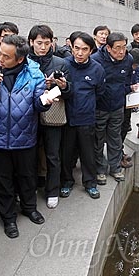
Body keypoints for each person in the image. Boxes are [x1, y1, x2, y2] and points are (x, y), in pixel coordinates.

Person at [0, 35, 52, 239]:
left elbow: (37, 104)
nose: (0, 58)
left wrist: (46, 101)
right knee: (3, 180)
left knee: (28, 176)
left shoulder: (34, 72)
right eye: (0, 53)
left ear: (19, 59)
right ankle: (8, 218)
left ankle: (29, 208)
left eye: (6, 56)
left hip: (25, 135)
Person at [27, 25, 71, 209]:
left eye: (47, 43)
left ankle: (52, 190)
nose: (43, 47)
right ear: (31, 42)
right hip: (29, 114)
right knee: (29, 155)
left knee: (53, 154)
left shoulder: (60, 63)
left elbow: (69, 93)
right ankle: (29, 190)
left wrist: (61, 86)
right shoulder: (25, 61)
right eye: (39, 43)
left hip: (53, 115)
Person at [60, 32, 105, 200]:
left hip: (87, 118)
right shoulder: (64, 65)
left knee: (88, 154)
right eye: (76, 48)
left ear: (91, 50)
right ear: (71, 47)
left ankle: (90, 183)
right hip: (67, 118)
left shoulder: (97, 69)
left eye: (84, 49)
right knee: (66, 152)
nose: (79, 53)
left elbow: (100, 92)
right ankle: (66, 181)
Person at [91, 32, 133, 185]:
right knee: (98, 139)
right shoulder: (96, 60)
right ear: (108, 48)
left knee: (115, 138)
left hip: (117, 106)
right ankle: (100, 169)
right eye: (117, 48)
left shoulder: (128, 59)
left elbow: (128, 79)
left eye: (124, 47)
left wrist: (127, 90)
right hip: (100, 107)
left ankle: (115, 167)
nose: (121, 51)